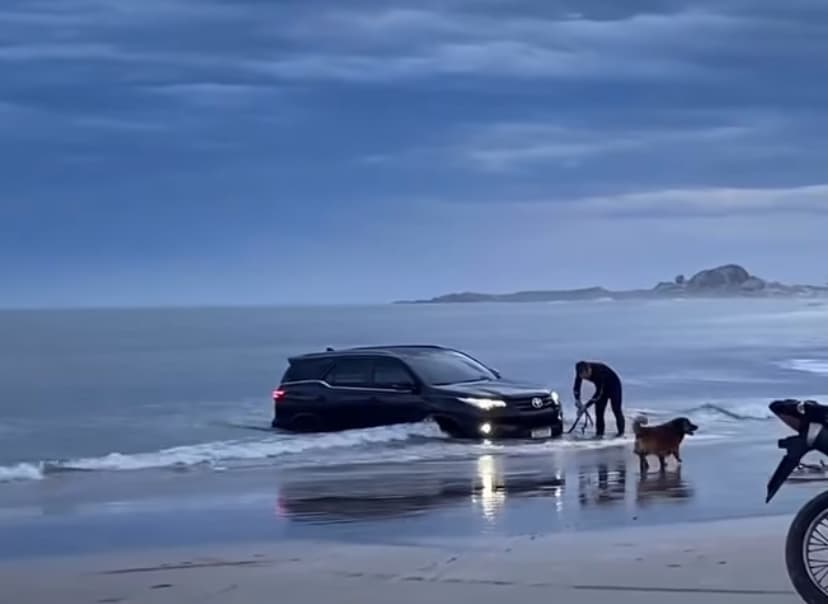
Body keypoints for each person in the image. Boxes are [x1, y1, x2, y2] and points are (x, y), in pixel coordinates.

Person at [573, 360, 624, 438]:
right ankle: (599, 434)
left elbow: (598, 394)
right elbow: (577, 386)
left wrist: (585, 407)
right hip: (601, 389)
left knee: (616, 409)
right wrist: (577, 400)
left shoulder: (599, 371)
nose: (585, 378)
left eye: (586, 376)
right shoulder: (580, 370)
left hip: (614, 386)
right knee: (599, 413)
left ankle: (621, 433)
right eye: (583, 377)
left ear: (589, 369)